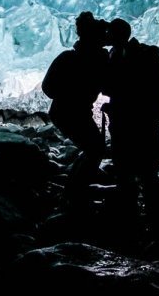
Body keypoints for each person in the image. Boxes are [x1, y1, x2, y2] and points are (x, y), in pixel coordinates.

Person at [102, 18, 159, 223]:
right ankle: (152, 216)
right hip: (143, 119)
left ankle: (133, 216)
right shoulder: (144, 54)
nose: (106, 37)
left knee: (127, 167)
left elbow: (111, 87)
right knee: (146, 169)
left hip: (127, 118)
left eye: (109, 33)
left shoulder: (120, 56)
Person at [42, 12, 109, 190]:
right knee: (95, 150)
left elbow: (47, 88)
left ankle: (74, 189)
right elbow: (107, 87)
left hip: (62, 112)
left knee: (93, 149)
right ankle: (74, 192)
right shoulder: (97, 61)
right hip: (72, 113)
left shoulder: (68, 58)